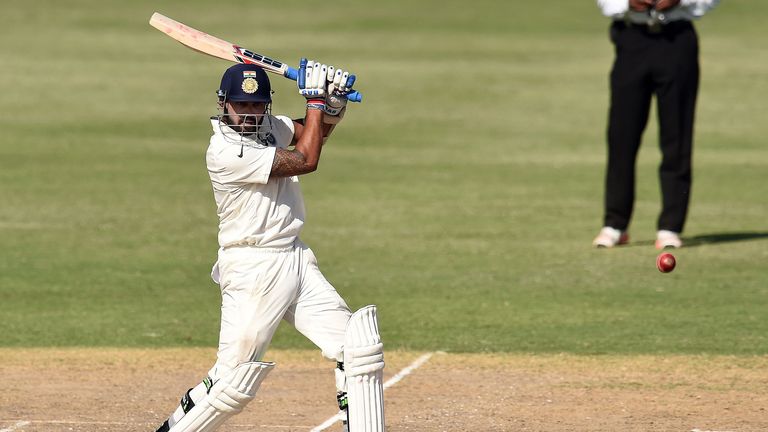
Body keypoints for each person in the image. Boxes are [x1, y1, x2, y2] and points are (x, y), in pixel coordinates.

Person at [153, 61, 385, 432]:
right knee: (232, 385)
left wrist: (333, 103)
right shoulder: (226, 152)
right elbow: (306, 159)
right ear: (223, 103)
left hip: (294, 257)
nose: (249, 114)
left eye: (257, 105)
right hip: (252, 266)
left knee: (358, 350)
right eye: (241, 105)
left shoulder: (267, 129)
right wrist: (313, 99)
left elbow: (314, 135)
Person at [593, 0, 719, 249]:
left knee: (677, 135)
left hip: (677, 38)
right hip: (632, 39)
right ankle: (615, 224)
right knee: (622, 136)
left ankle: (670, 226)